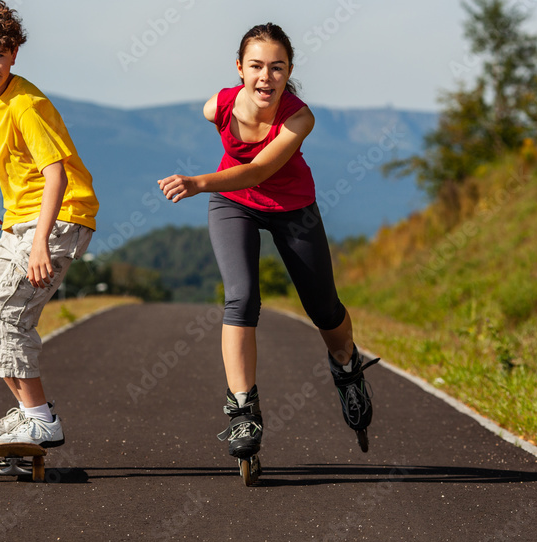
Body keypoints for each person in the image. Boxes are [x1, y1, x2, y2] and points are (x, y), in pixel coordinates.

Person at [157, 23, 379, 466]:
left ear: (289, 71)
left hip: (292, 206)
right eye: (256, 66)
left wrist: (198, 181)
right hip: (232, 204)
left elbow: (258, 171)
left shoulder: (300, 117)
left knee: (324, 308)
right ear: (239, 68)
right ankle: (243, 409)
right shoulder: (217, 106)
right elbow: (239, 175)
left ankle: (346, 365)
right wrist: (212, 188)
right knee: (241, 298)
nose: (266, 77)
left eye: (277, 68)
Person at [0, 0, 98, 447]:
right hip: (20, 218)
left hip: (59, 217)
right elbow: (7, 149)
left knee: (6, 316)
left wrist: (39, 246)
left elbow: (57, 173)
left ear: (14, 54)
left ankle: (41, 421)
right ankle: (31, 413)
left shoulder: (27, 104)